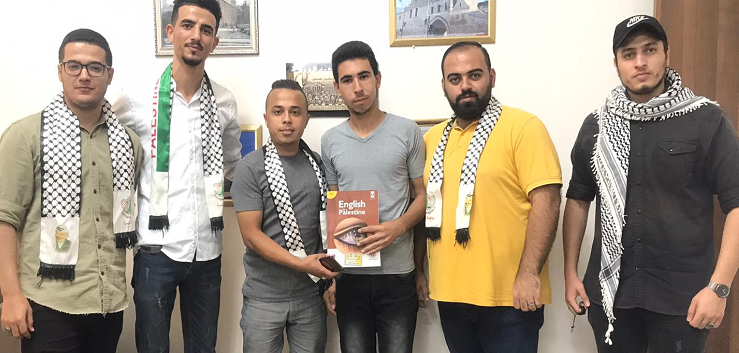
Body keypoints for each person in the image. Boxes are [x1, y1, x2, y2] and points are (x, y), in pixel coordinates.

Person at [562, 15, 739, 353]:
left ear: (667, 53)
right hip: (611, 296)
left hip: (684, 299)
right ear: (616, 64)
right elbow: (578, 199)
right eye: (629, 54)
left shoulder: (706, 119)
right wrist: (570, 272)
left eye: (649, 50)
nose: (640, 62)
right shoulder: (597, 126)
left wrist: (719, 287)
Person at [0, 29, 143, 353]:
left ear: (109, 75)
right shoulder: (26, 135)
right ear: (60, 71)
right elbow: (3, 219)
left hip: (108, 303)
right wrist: (11, 295)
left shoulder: (128, 143)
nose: (84, 75)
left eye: (95, 67)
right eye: (74, 66)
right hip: (49, 305)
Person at [114, 0, 242, 353]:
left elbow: (232, 163)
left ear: (214, 42)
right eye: (187, 25)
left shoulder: (224, 101)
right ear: (171, 32)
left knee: (204, 348)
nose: (196, 35)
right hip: (155, 249)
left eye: (206, 30)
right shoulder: (137, 97)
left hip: (208, 249)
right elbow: (104, 141)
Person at [421, 41, 562, 353]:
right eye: (455, 79)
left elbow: (548, 202)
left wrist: (529, 274)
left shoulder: (523, 127)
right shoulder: (432, 139)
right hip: (450, 296)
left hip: (509, 297)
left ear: (492, 77)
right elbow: (426, 207)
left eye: (474, 75)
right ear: (443, 85)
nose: (465, 86)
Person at [321, 41, 426, 353]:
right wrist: (332, 276)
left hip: (398, 274)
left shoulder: (408, 131)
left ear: (377, 79)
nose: (358, 87)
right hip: (350, 275)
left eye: (364, 76)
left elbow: (423, 196)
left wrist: (398, 226)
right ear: (338, 88)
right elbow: (333, 209)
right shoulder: (330, 141)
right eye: (347, 80)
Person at [231, 79, 339, 353]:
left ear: (306, 119)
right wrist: (301, 264)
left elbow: (328, 224)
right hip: (264, 298)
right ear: (266, 118)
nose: (287, 119)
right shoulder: (249, 167)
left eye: (295, 111)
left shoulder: (318, 163)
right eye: (278, 111)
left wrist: (331, 278)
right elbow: (251, 236)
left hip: (311, 295)